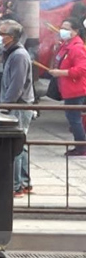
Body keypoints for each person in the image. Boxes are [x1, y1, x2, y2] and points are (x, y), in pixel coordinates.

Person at [0, 19, 34, 196]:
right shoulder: (11, 53)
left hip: (18, 105)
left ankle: (15, 185)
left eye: (1, 33)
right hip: (18, 105)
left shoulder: (19, 55)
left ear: (11, 37)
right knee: (21, 145)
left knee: (15, 146)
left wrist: (6, 105)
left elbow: (16, 85)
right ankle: (25, 182)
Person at [49, 18, 86, 157]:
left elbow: (82, 69)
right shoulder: (65, 45)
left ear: (75, 31)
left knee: (74, 119)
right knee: (73, 118)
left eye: (66, 29)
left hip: (75, 89)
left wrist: (61, 73)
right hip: (67, 88)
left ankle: (81, 147)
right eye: (62, 27)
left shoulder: (77, 47)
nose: (62, 31)